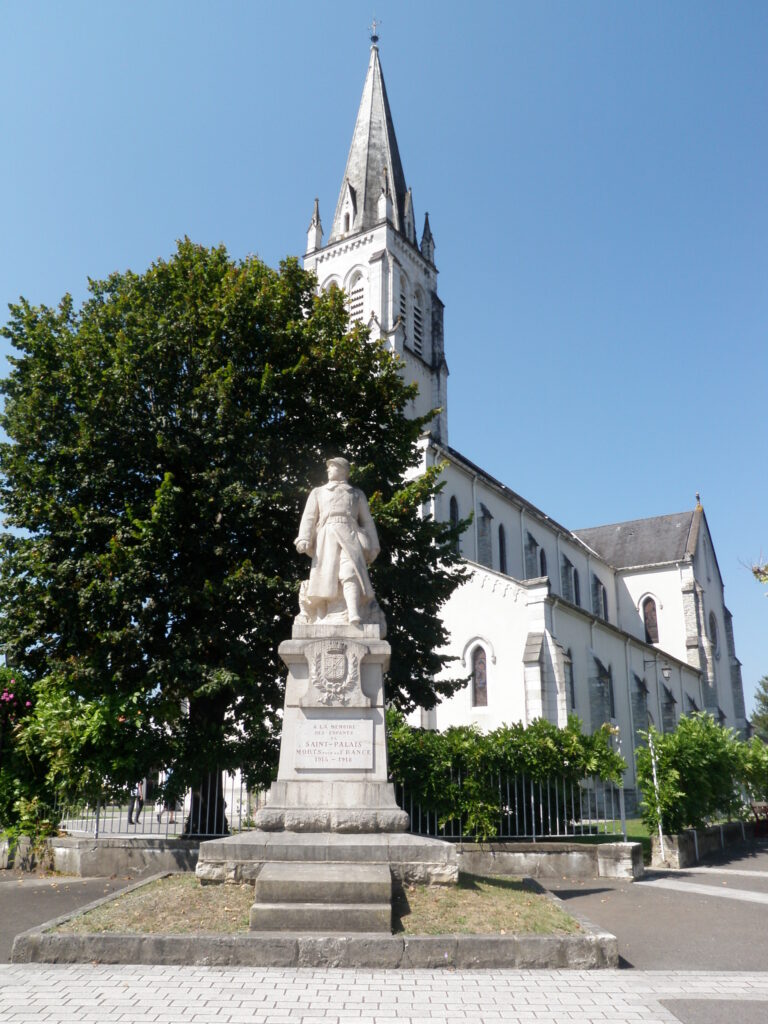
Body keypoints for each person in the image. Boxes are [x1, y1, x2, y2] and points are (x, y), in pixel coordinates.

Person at [295, 457, 380, 625]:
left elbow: (367, 521)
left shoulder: (356, 494)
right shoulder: (318, 492)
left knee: (350, 571)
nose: (328, 470)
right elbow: (309, 517)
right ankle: (323, 614)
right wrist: (304, 537)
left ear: (342, 470)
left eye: (332, 467)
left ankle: (353, 612)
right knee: (327, 576)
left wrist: (374, 546)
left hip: (350, 534)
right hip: (326, 535)